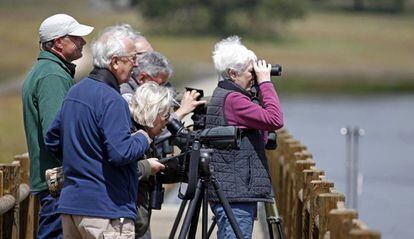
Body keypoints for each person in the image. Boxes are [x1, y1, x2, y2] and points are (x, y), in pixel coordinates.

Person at [44, 25, 165, 239]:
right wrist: (145, 136)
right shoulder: (112, 99)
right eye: (131, 58)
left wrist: (82, 160)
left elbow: (52, 139)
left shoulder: (75, 91)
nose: (136, 63)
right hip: (105, 211)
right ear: (115, 61)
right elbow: (121, 153)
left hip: (72, 207)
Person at [21, 13, 93, 239]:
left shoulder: (49, 71)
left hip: (54, 183)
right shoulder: (52, 75)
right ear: (58, 42)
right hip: (58, 186)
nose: (83, 41)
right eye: (76, 37)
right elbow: (57, 132)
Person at [206, 36, 284, 239]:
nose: (256, 75)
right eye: (252, 71)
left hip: (234, 189)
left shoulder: (227, 95)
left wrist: (256, 91)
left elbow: (265, 135)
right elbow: (275, 119)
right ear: (233, 73)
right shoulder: (234, 100)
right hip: (235, 193)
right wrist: (266, 83)